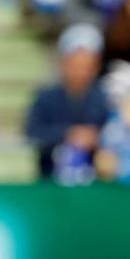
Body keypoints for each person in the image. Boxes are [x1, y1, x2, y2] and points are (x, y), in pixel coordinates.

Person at [25, 23, 110, 182]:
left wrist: (96, 139)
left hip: (97, 184)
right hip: (51, 181)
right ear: (63, 63)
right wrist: (68, 135)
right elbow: (32, 132)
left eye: (86, 66)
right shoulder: (46, 97)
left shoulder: (105, 98)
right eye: (74, 65)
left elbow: (118, 135)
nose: (80, 71)